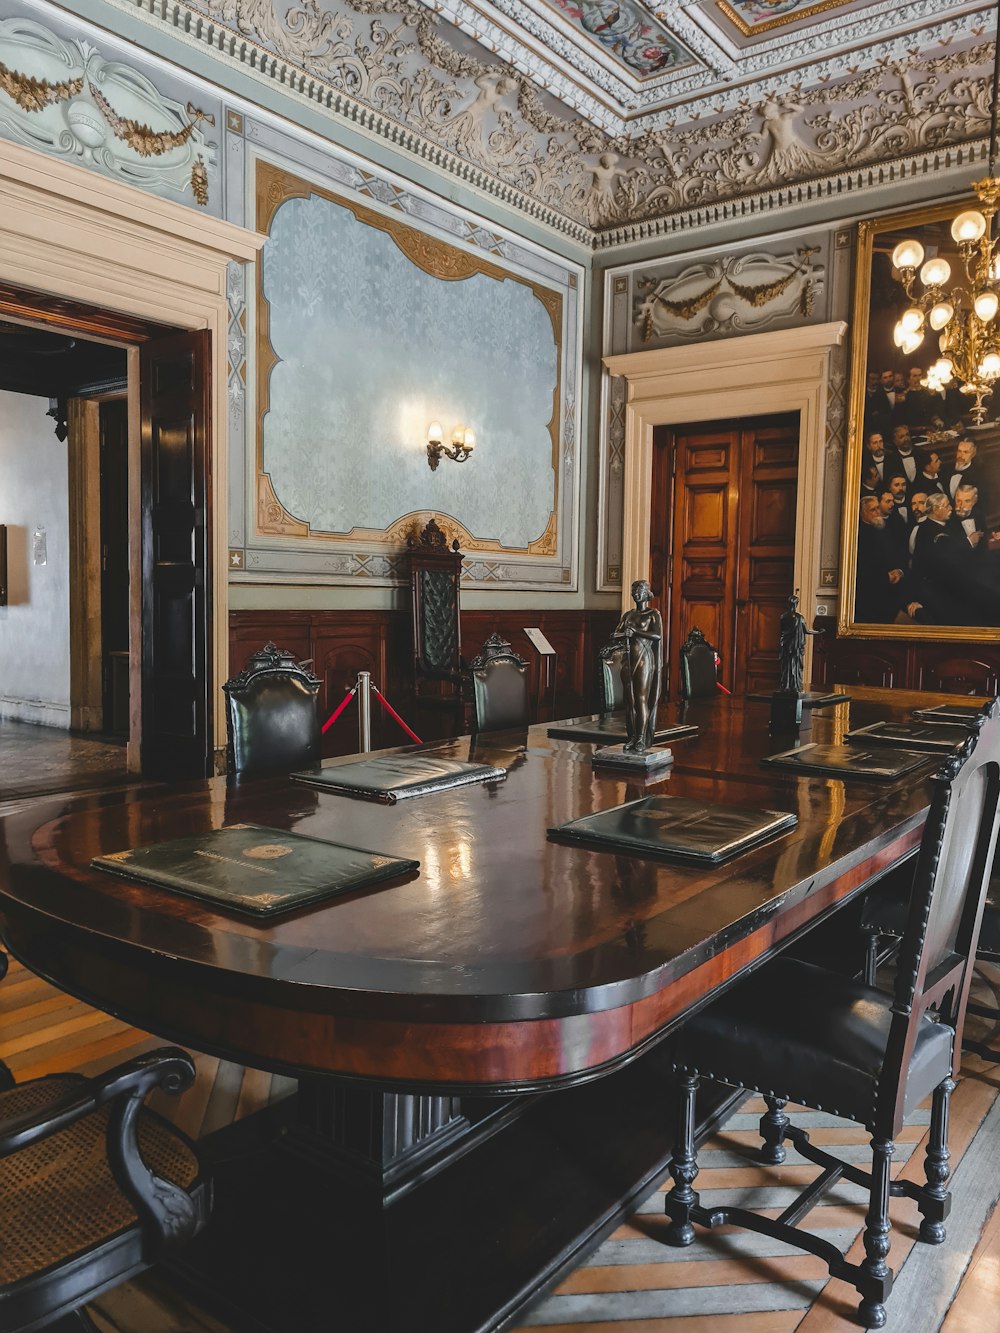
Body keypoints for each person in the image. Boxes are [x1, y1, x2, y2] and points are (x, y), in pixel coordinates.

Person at [611, 579, 663, 753]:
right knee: (629, 700)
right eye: (634, 590)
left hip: (644, 658)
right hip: (628, 659)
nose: (636, 593)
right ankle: (632, 736)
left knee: (641, 699)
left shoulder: (653, 614)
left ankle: (641, 737)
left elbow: (657, 635)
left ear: (647, 593)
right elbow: (616, 634)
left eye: (640, 590)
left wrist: (636, 632)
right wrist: (622, 634)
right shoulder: (628, 615)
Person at [777, 592, 821, 694]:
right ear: (796, 604)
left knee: (786, 666)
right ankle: (794, 686)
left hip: (786, 645)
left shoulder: (783, 617)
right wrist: (819, 632)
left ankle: (786, 685)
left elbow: (781, 632)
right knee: (795, 667)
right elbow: (807, 631)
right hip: (796, 647)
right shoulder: (799, 618)